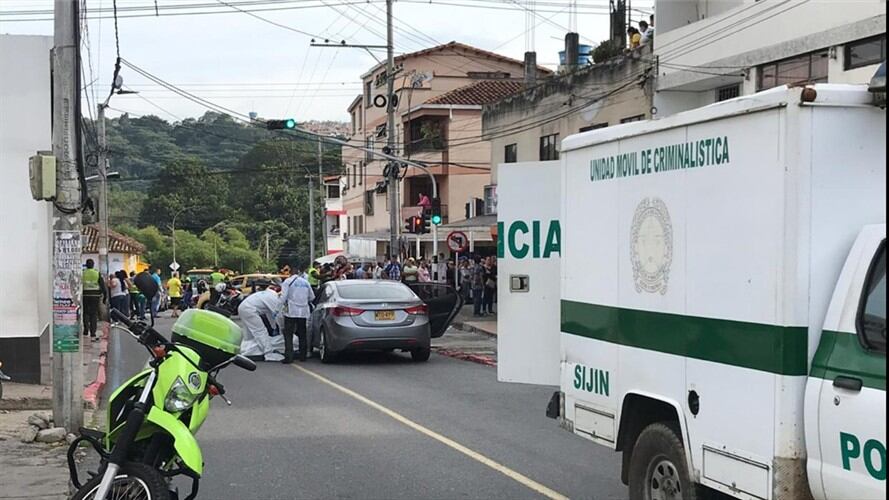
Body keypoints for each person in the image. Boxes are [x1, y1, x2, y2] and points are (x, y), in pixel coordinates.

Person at [237, 280, 284, 362]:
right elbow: (278, 315)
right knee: (260, 331)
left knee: (250, 335)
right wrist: (282, 328)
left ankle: (247, 351)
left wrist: (274, 327)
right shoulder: (274, 298)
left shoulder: (266, 294)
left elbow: (270, 315)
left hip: (242, 307)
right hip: (250, 310)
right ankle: (268, 353)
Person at [280, 266, 315, 363]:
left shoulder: (287, 282)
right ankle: (303, 356)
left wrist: (278, 307)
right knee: (302, 334)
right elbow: (312, 297)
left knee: (288, 335)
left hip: (291, 312)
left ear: (290, 273)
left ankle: (289, 357)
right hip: (303, 312)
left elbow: (283, 297)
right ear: (298, 272)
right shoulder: (305, 282)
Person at [82, 259, 106, 341]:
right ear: (93, 265)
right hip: (95, 295)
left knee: (85, 312)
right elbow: (102, 285)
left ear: (86, 265)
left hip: (85, 295)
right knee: (94, 314)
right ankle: (93, 333)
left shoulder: (83, 273)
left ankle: (86, 330)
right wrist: (105, 296)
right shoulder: (97, 273)